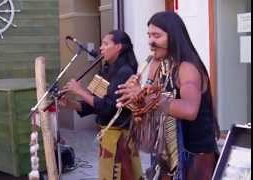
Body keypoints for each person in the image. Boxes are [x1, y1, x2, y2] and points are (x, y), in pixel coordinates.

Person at [116, 11, 220, 180]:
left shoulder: (188, 68)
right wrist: (134, 98)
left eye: (157, 35)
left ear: (173, 37)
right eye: (149, 35)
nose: (151, 41)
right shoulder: (157, 64)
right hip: (166, 156)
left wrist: (147, 98)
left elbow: (190, 110)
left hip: (193, 156)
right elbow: (148, 110)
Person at [59, 30, 143, 180]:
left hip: (120, 138)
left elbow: (108, 107)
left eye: (105, 44)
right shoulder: (106, 69)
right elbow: (93, 105)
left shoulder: (125, 72)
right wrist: (70, 103)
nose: (101, 48)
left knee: (122, 175)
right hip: (108, 137)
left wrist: (80, 91)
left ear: (118, 47)